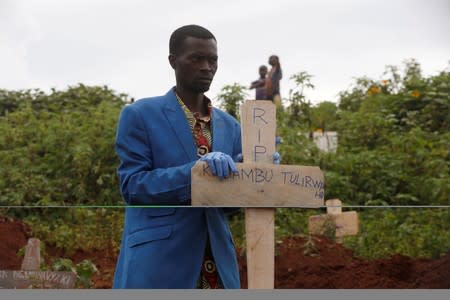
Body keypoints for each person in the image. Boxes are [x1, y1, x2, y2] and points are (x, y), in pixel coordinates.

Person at [112, 25, 242, 289]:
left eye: (213, 59)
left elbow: (229, 205)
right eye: (196, 58)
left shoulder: (230, 125)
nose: (207, 66)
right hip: (160, 264)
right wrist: (195, 173)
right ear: (173, 61)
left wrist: (254, 176)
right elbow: (133, 186)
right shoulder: (140, 115)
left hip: (217, 265)